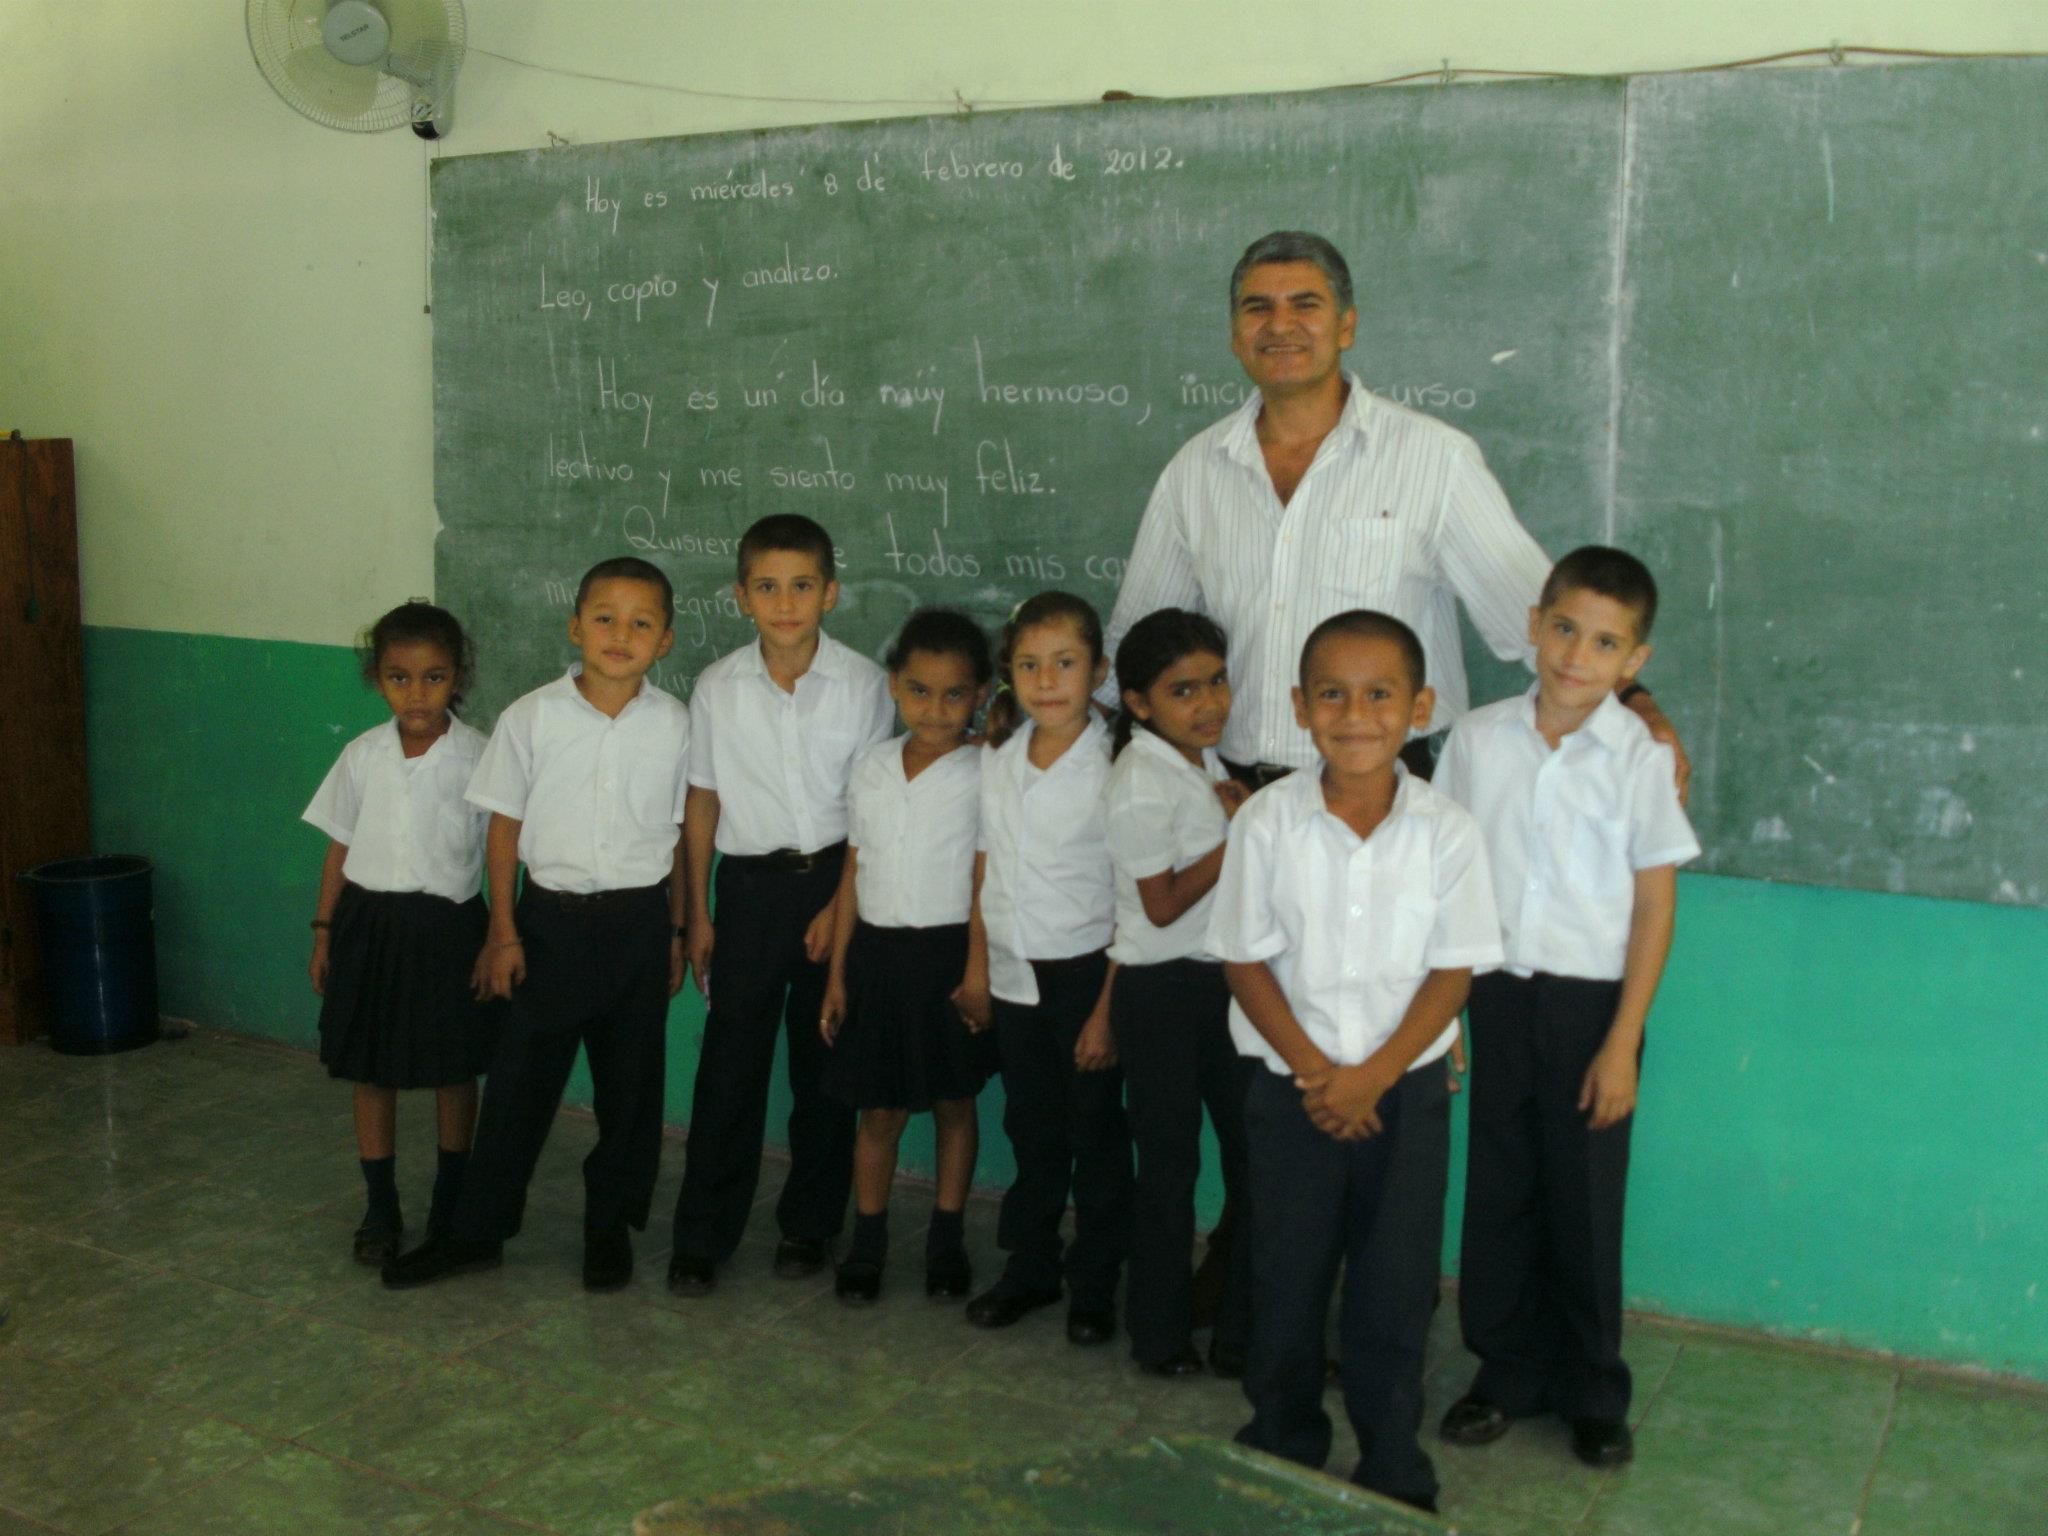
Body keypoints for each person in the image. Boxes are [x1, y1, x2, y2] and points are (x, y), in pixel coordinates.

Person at [1102, 229, 1687, 789]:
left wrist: (1637, 706)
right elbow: (1134, 645)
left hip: (1396, 793)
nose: (1280, 325)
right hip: (1231, 795)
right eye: (1258, 308)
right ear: (1235, 333)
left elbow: (1543, 623)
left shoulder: (1436, 460)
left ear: (1347, 326)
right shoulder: (1194, 471)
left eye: (1305, 304)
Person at [1207, 609, 1502, 1514]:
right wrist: (1317, 1073)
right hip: (1289, 1090)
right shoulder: (1267, 820)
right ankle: (1283, 1436)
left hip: (1404, 1097)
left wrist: (1371, 1076)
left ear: (1421, 706)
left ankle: (1391, 1458)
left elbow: (1455, 970)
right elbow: (1244, 957)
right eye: (1332, 694)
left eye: (1380, 695)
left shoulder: (1447, 830)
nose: (1356, 714)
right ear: (1300, 708)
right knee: (1284, 1274)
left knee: (1394, 1285)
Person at [1432, 546, 1698, 1469]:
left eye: (1605, 643)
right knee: (1500, 1185)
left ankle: (1592, 1388)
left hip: (1594, 1008)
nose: (1577, 657)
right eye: (1565, 629)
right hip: (1497, 992)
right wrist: (1444, 1011)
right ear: (1536, 626)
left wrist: (1623, 1041)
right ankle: (1503, 1371)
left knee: (1584, 1199)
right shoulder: (1476, 739)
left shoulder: (1640, 758)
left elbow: (1656, 902)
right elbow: (1449, 876)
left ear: (1636, 662)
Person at [382, 557, 691, 1293]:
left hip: (639, 925)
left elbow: (681, 837)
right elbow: (504, 829)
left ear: (666, 641)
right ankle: (476, 1232)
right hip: (548, 924)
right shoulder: (532, 717)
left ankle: (607, 1228)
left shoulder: (676, 724)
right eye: (606, 617)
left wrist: (677, 934)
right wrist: (503, 931)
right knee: (519, 1086)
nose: (622, 634)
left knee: (631, 1090)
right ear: (575, 624)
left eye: (641, 623)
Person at [667, 515, 894, 1296]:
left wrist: (842, 905)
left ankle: (809, 1226)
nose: (785, 602)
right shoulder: (716, 687)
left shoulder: (865, 684)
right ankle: (703, 1235)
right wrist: (698, 913)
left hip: (837, 883)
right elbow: (701, 801)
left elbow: (873, 807)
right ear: (741, 597)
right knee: (729, 1069)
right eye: (767, 586)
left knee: (823, 1065)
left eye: (802, 586)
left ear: (830, 592)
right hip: (751, 890)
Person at [957, 592, 1133, 1345]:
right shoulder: (997, 756)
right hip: (1012, 972)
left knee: (1094, 1132)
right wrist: (976, 970)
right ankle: (1030, 1266)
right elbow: (985, 869)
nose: (1047, 679)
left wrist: (1106, 1010)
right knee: (1031, 1128)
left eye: (1065, 663)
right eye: (1029, 665)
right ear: (1009, 674)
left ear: (1098, 671)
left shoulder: (1118, 763)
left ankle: (1095, 1284)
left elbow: (1136, 898)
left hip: (1088, 974)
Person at [303, 601, 498, 1266]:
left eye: (434, 677)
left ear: (458, 677)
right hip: (370, 925)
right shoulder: (362, 757)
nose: (417, 694)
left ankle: (452, 1193)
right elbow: (338, 848)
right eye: (399, 678)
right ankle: (380, 1204)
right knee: (371, 1070)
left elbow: (503, 853)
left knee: (453, 1068)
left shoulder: (481, 758)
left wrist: (500, 936)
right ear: (378, 680)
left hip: (451, 931)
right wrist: (325, 931)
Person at [819, 609, 995, 1306]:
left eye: (955, 694)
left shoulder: (987, 771)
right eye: (920, 691)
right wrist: (836, 975)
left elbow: (986, 879)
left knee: (955, 1102)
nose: (936, 708)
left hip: (951, 956)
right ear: (895, 686)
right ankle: (868, 1237)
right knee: (879, 1112)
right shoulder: (870, 766)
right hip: (876, 960)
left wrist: (979, 973)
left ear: (981, 694)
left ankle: (946, 1235)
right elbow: (853, 873)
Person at [1102, 608, 1254, 1378]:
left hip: (1218, 984)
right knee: (1167, 1171)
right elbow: (1160, 904)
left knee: (1252, 1159)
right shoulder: (1138, 780)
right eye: (1184, 690)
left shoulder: (1200, 757)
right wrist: (1239, 842)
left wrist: (1228, 814)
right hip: (1161, 993)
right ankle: (1159, 1336)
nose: (1209, 703)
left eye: (1217, 681)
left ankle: (1237, 1329)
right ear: (1138, 704)